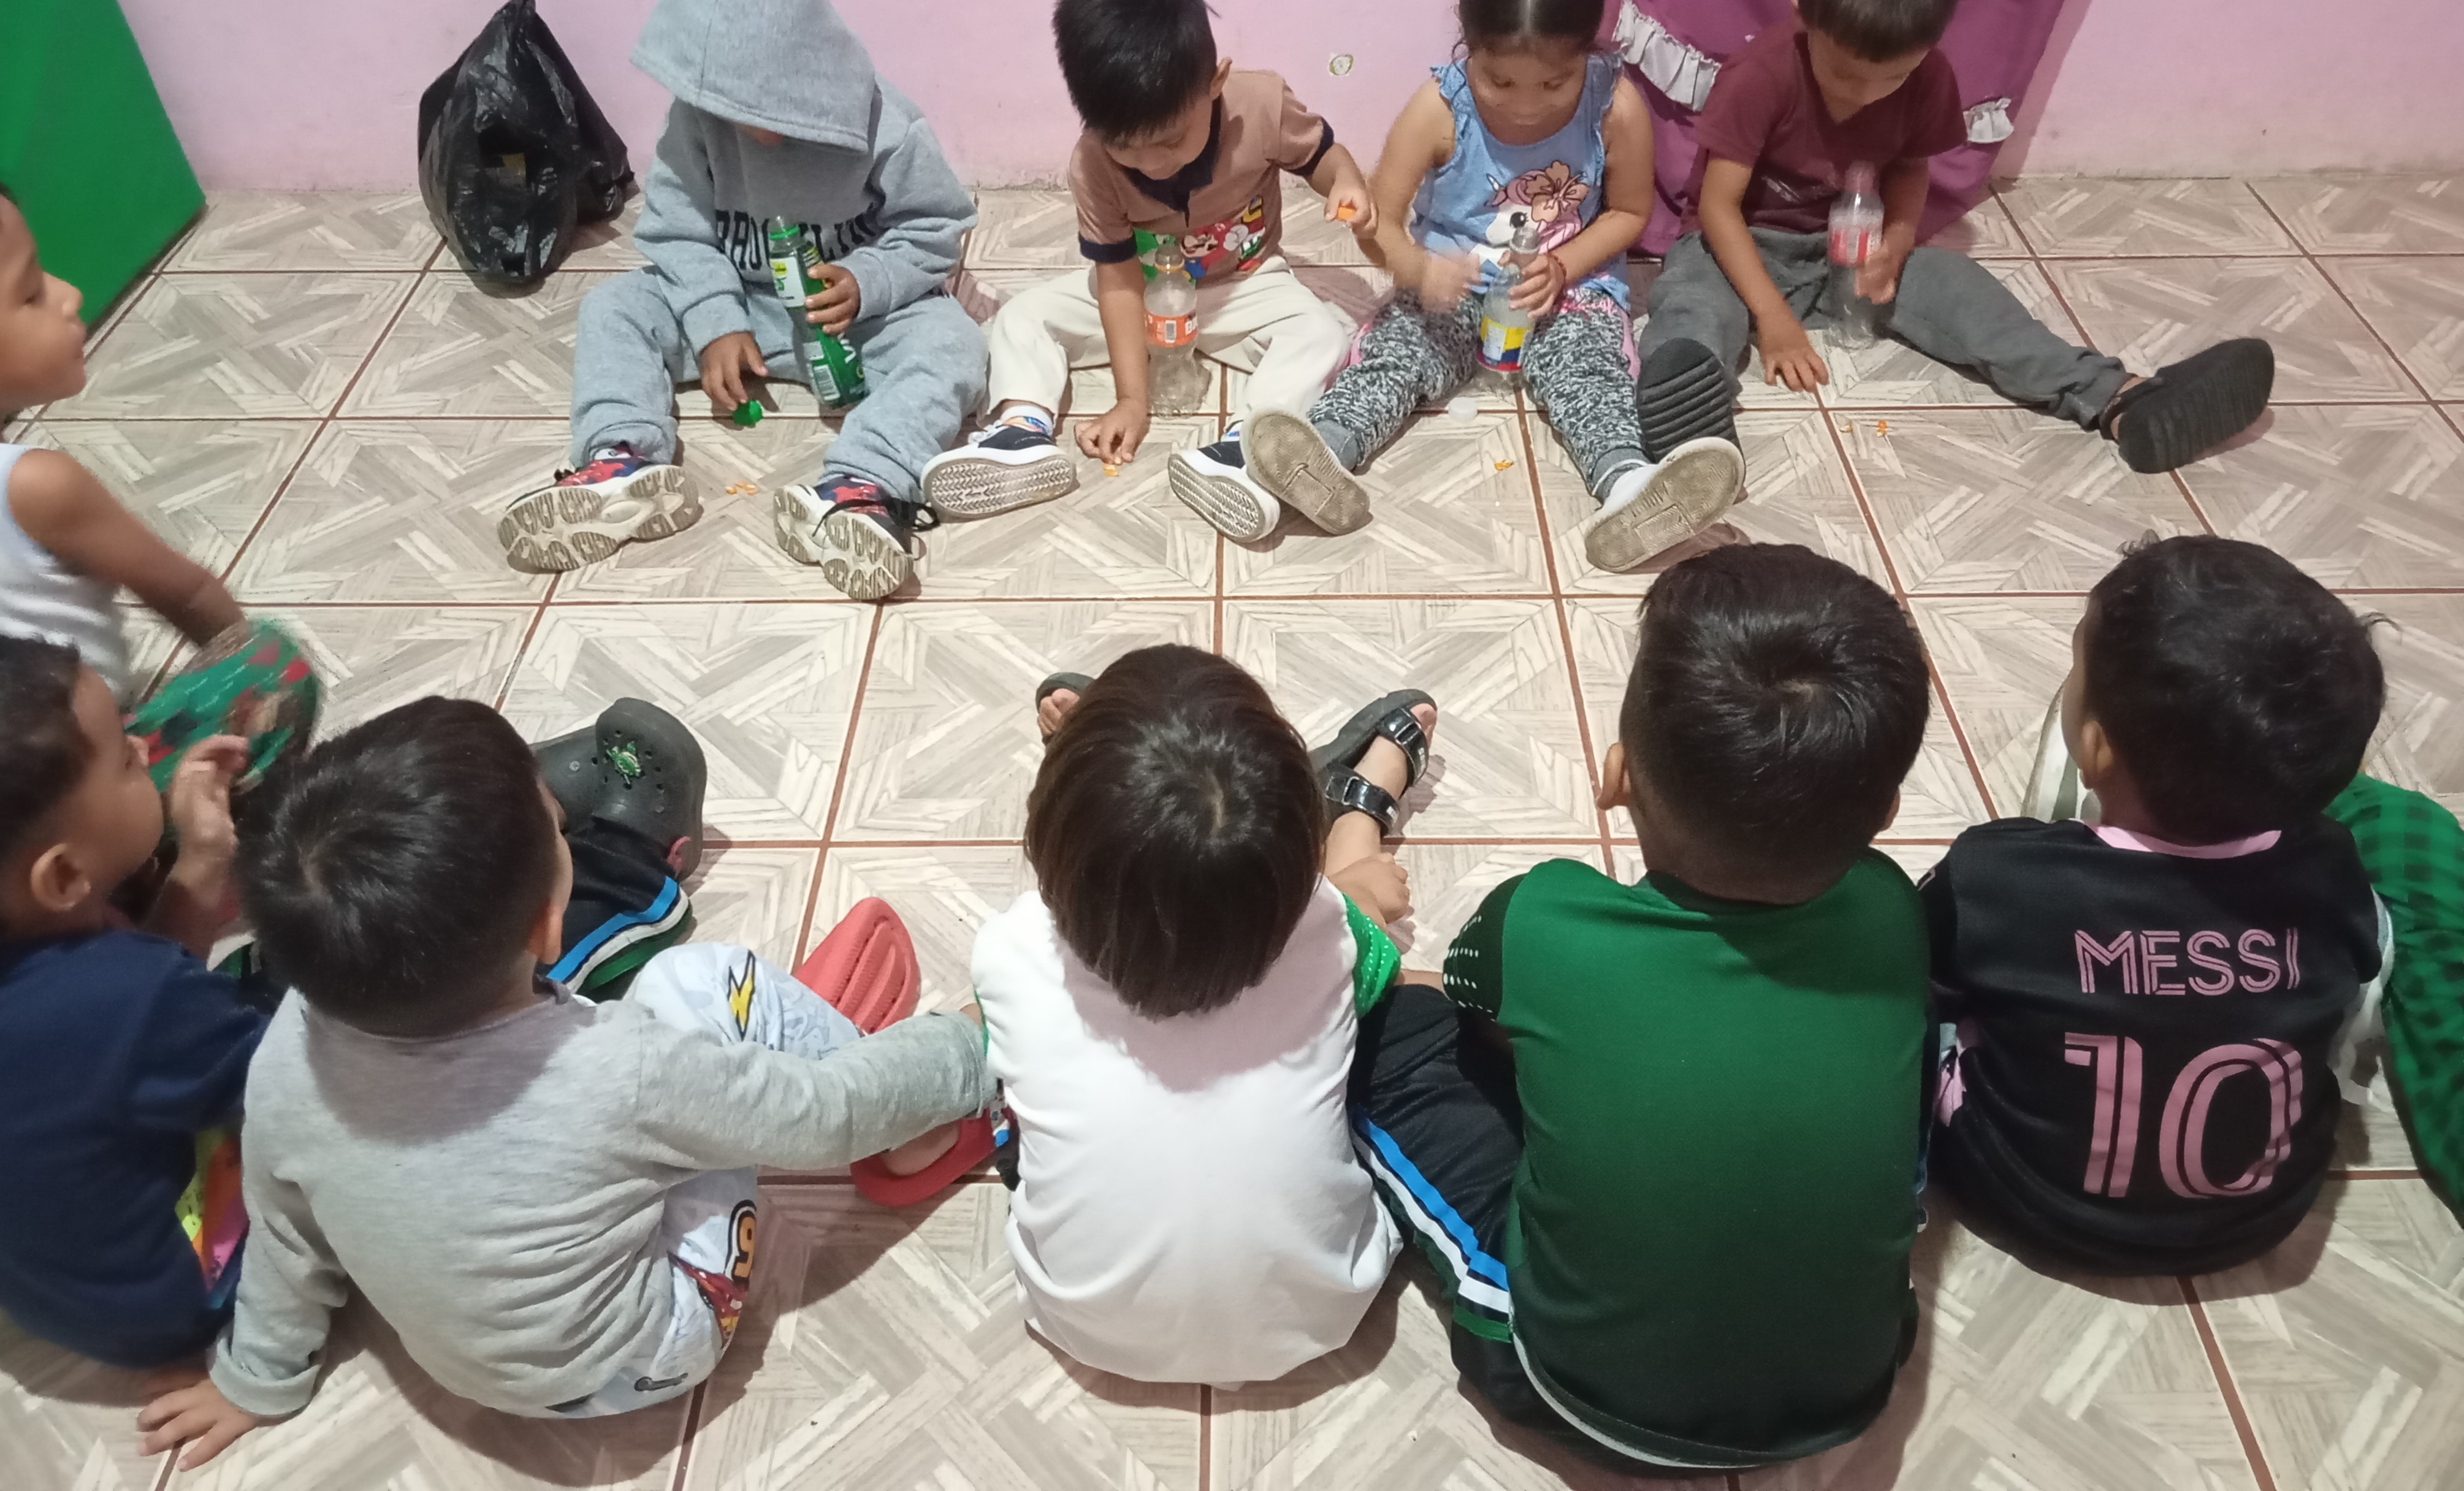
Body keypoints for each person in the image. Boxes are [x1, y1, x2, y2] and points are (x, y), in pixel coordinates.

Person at [133, 696, 988, 1466]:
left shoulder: (285, 1052)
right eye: (561, 826)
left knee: (650, 1103)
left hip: (476, 1376)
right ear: (550, 924)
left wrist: (257, 1380)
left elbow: (285, 1234)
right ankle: (915, 1129)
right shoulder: (621, 1069)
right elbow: (824, 1118)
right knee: (699, 983)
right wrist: (964, 1048)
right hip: (651, 1350)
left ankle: (788, 1067)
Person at [1351, 544, 1932, 1473]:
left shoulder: (1543, 919)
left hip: (1571, 1387)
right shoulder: (1896, 911)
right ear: (1889, 809)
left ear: (1617, 777)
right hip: (1852, 1390)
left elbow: (1477, 1019)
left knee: (1389, 1029)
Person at [1634, 0, 2275, 474]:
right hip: (1736, 248)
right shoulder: (1761, 74)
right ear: (1805, 19)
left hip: (1844, 251)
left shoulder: (1929, 77)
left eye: (1890, 78)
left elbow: (1910, 169)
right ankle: (1693, 440)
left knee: (1958, 287)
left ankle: (2120, 402)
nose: (1865, 94)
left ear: (1929, 46)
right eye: (1845, 73)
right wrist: (1774, 319)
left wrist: (1896, 245)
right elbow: (1718, 207)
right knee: (1693, 306)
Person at [1931, 536, 2390, 1273]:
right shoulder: (2333, 870)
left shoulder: (1997, 874)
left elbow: (1911, 973)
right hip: (2256, 1219)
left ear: (2095, 748)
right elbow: (2361, 965)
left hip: (2028, 1199)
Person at [971, 649, 1432, 1383]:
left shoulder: (1011, 951)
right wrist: (1357, 891)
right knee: (1373, 1025)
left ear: (1049, 857)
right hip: (1323, 1313)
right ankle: (1353, 818)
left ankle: (1109, 773)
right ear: (1300, 877)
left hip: (1084, 1326)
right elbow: (1375, 957)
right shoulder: (1327, 930)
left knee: (1018, 1089)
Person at [1240, 0, 1746, 573]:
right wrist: (1418, 269)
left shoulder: (1613, 106)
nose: (1527, 103)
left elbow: (1628, 213)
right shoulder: (1439, 109)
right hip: (1451, 287)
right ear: (1468, 35)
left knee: (1590, 373)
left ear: (1590, 46)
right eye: (1500, 80)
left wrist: (1564, 265)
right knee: (1397, 357)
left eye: (1555, 82)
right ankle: (1323, 455)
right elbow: (1381, 225)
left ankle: (1630, 486)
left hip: (1564, 290)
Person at [498, 0, 986, 601]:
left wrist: (868, 278)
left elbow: (936, 226)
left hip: (854, 323)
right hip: (744, 307)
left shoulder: (887, 125)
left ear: (813, 70)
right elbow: (675, 231)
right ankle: (618, 462)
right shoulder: (693, 123)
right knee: (614, 307)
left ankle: (861, 487)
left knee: (955, 343)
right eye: (730, 105)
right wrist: (714, 321)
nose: (755, 127)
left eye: (776, 107)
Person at [923, 0, 1368, 542]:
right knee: (1020, 319)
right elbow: (1115, 278)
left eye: (1170, 140)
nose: (1152, 164)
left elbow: (1321, 156)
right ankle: (1020, 433)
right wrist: (1133, 399)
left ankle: (1244, 451)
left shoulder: (1261, 104)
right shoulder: (1091, 163)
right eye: (1126, 148)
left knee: (1321, 334)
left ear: (1215, 83)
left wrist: (1346, 183)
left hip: (1244, 285)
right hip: (1142, 291)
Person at [0, 637, 262, 1370]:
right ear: (64, 877)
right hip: (177, 1287)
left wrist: (199, 864)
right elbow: (282, 1083)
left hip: (31, 1289)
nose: (143, 745)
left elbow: (115, 1029)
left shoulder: (83, 975)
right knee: (291, 989)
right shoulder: (137, 995)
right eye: (125, 761)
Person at [0, 167, 245, 700]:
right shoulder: (35, 487)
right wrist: (257, 677)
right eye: (31, 293)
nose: (68, 295)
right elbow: (188, 594)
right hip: (79, 748)